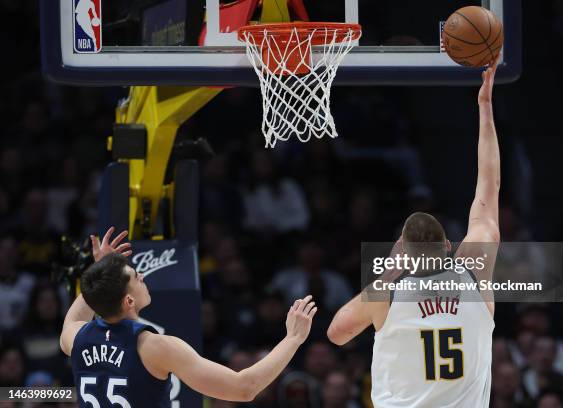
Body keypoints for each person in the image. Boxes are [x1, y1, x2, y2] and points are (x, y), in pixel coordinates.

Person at [326, 61, 502, 407]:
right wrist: (485, 107)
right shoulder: (474, 272)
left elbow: (336, 333)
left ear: (402, 251)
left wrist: (390, 269)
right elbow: (489, 184)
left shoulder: (387, 294)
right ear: (449, 245)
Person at [60, 227, 317, 407]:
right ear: (128, 301)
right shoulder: (154, 347)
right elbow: (244, 388)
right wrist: (293, 338)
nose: (143, 277)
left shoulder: (79, 338)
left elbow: (74, 318)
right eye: (137, 277)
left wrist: (100, 272)